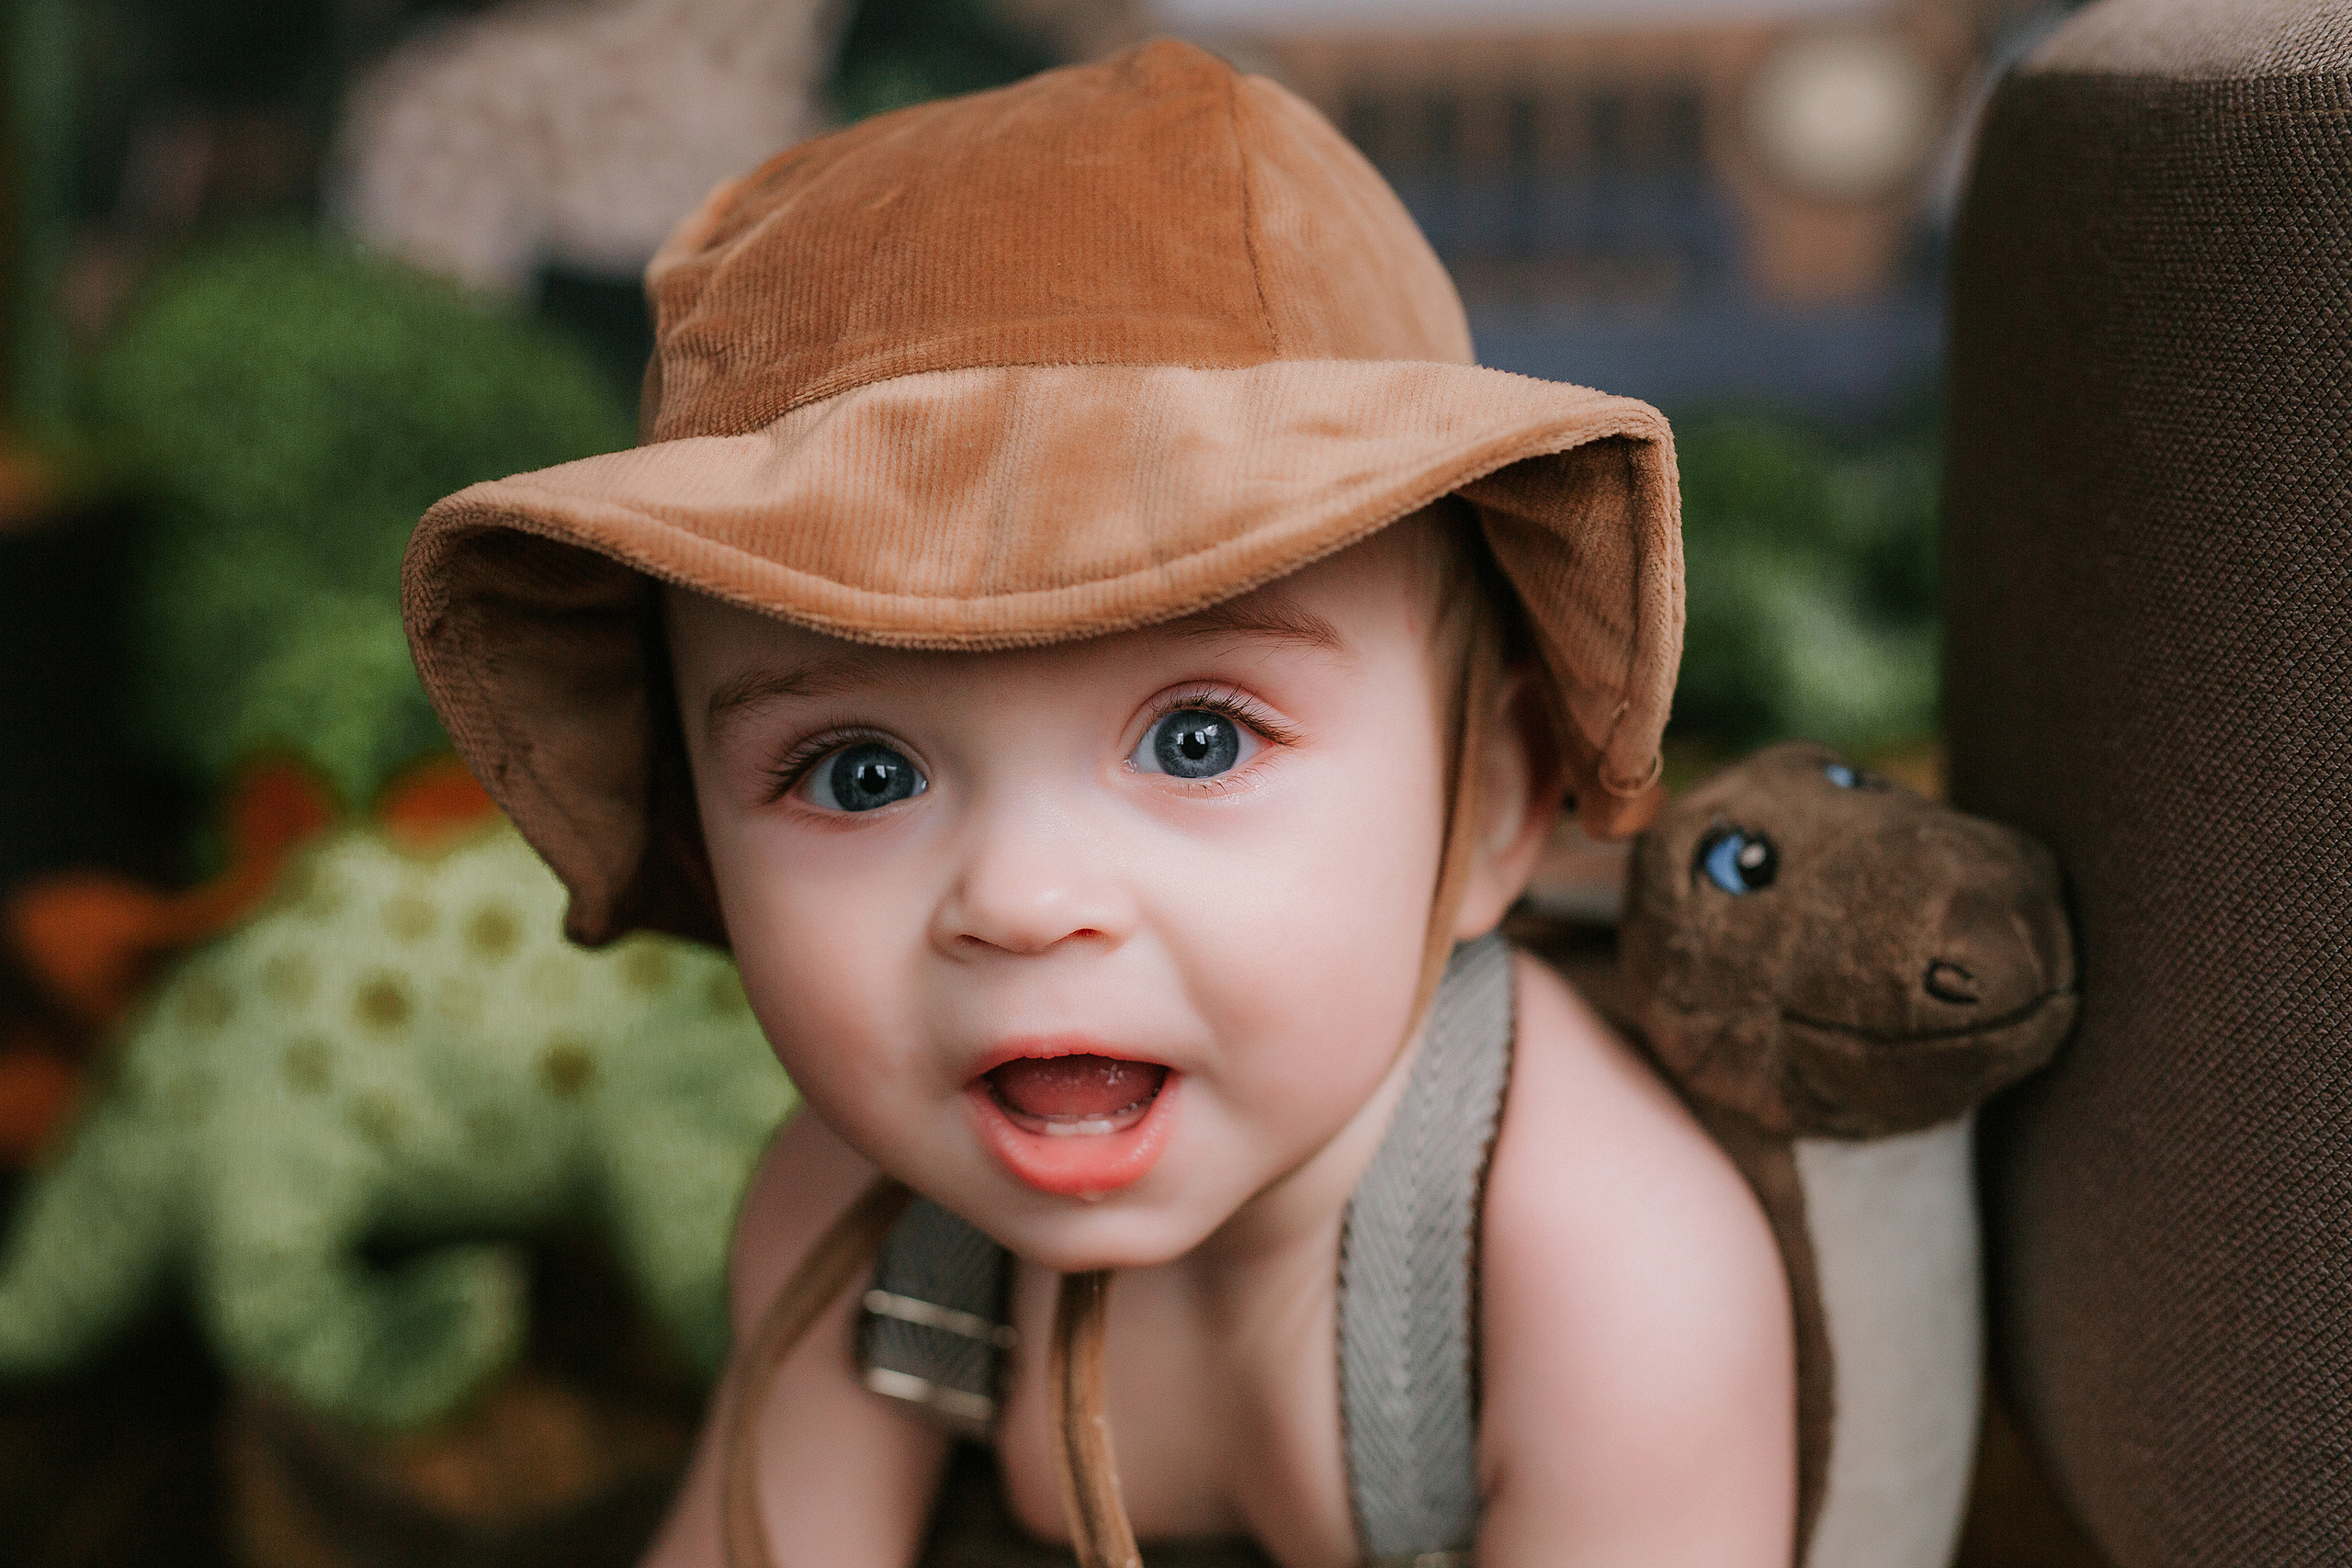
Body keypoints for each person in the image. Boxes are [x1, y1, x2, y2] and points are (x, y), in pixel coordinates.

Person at [403, 39, 1793, 1568]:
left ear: (1492, 807)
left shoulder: (1604, 1278)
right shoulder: (850, 1217)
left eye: (1198, 741)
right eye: (863, 774)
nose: (1018, 897)